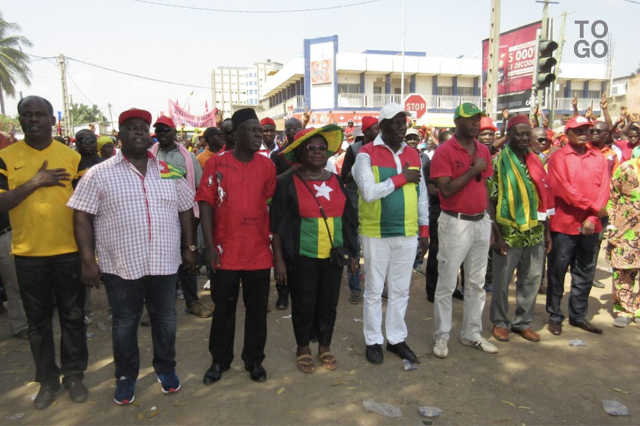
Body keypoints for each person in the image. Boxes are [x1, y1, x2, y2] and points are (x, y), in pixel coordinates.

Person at [69, 108, 196, 405]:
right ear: (120, 134)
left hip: (164, 262)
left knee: (165, 320)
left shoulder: (168, 169)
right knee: (125, 323)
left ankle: (166, 369)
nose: (139, 132)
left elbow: (186, 208)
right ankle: (125, 378)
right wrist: (88, 260)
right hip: (121, 264)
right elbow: (81, 217)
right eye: (132, 127)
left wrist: (190, 248)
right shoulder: (98, 174)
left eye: (144, 127)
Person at [0, 96, 88, 409]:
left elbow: (84, 209)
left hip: (68, 252)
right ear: (20, 120)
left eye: (40, 114)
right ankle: (48, 381)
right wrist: (36, 181)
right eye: (27, 115)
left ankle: (74, 375)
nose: (33, 120)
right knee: (38, 324)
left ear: (52, 119)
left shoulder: (71, 156)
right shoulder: (5, 157)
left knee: (73, 317)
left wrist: (89, 254)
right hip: (28, 255)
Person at [198, 108, 276, 384]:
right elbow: (206, 204)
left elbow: (269, 205)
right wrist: (209, 246)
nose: (260, 136)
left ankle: (254, 360)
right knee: (224, 310)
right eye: (253, 131)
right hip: (225, 252)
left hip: (257, 252)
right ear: (238, 134)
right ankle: (219, 360)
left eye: (261, 132)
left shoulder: (267, 165)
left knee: (257, 311)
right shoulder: (216, 164)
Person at [270, 125, 358, 373]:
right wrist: (279, 260)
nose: (318, 152)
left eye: (322, 148)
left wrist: (353, 252)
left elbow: (349, 220)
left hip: (333, 256)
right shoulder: (286, 183)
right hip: (301, 256)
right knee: (303, 302)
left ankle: (325, 345)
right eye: (312, 148)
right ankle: (303, 347)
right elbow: (276, 226)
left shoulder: (337, 182)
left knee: (329, 302)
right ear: (300, 152)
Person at [353, 104, 429, 365]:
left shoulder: (413, 154)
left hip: (407, 232)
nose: (401, 128)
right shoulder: (365, 154)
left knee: (401, 289)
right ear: (382, 126)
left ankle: (396, 338)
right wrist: (400, 178)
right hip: (376, 232)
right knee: (374, 290)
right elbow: (369, 192)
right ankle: (373, 340)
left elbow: (422, 194)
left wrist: (424, 227)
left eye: (403, 123)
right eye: (395, 123)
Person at [429, 103, 497, 358]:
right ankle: (442, 336)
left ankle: (471, 332)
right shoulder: (444, 152)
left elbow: (485, 188)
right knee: (447, 282)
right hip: (454, 222)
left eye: (478, 119)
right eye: (469, 119)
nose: (475, 124)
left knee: (477, 283)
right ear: (456, 122)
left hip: (480, 222)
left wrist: (490, 222)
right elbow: (445, 189)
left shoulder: (483, 150)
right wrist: (473, 170)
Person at [488, 115, 553, 343]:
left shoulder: (535, 161)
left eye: (528, 134)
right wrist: (496, 235)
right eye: (520, 134)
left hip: (534, 230)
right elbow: (490, 201)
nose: (525, 138)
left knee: (532, 279)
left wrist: (546, 232)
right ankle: (500, 322)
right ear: (509, 135)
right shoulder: (497, 163)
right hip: (508, 233)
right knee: (502, 281)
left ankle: (522, 322)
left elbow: (543, 198)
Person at [546, 116, 610, 336]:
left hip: (590, 227)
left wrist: (592, 218)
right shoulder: (558, 158)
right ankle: (554, 316)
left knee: (585, 272)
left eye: (587, 129)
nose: (584, 133)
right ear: (568, 133)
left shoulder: (599, 158)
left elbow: (604, 189)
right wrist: (593, 208)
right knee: (557, 271)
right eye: (578, 129)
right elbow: (564, 190)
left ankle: (578, 316)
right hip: (564, 225)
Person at [150, 115, 210, 318]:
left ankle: (192, 302)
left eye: (165, 130)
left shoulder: (188, 158)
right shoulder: (149, 156)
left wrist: (197, 219)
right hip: (158, 217)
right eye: (158, 130)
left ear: (174, 132)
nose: (162, 134)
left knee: (188, 259)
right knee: (159, 262)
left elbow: (199, 187)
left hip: (184, 215)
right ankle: (156, 309)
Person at [340, 116, 379, 304]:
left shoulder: (382, 149)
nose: (378, 132)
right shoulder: (354, 150)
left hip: (376, 207)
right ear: (365, 131)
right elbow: (344, 178)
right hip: (355, 206)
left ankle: (376, 287)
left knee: (376, 250)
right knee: (354, 248)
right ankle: (355, 288)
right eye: (374, 129)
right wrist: (359, 170)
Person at [271, 117, 304, 310]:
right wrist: (293, 171)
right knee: (281, 252)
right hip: (283, 208)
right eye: (289, 128)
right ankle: (283, 294)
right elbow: (272, 182)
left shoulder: (308, 151)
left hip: (304, 208)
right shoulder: (278, 155)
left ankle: (299, 292)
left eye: (296, 128)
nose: (292, 131)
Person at [424, 129, 459, 303]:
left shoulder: (459, 162)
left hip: (457, 213)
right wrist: (451, 192)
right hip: (438, 211)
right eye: (447, 142)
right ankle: (432, 289)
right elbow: (430, 190)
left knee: (455, 252)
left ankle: (452, 288)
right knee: (436, 251)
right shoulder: (431, 163)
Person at [606, 156, 640, 327]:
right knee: (622, 271)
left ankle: (639, 309)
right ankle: (624, 309)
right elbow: (612, 197)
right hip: (625, 232)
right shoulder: (627, 168)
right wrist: (611, 225)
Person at [0, 209, 28, 339]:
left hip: (12, 232)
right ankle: (20, 326)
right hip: (4, 236)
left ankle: (23, 324)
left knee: (17, 281)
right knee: (13, 283)